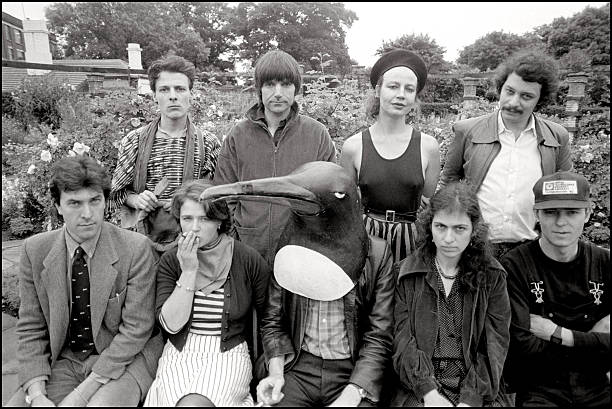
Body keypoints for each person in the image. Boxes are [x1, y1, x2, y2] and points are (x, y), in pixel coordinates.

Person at [9, 155, 163, 406]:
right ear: (58, 206)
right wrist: (36, 395)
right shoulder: (35, 250)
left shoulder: (135, 249)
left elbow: (136, 330)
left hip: (127, 358)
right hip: (68, 359)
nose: (88, 214)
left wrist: (79, 397)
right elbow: (31, 328)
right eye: (75, 203)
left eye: (95, 201)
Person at [144, 181, 271, 407]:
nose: (194, 228)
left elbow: (270, 320)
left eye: (204, 219)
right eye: (187, 219)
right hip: (180, 352)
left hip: (228, 353)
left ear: (219, 220)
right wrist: (189, 271)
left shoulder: (247, 259)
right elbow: (171, 326)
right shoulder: (171, 261)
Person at [440, 49, 572, 260]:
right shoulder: (467, 131)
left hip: (531, 251)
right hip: (476, 248)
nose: (513, 102)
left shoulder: (556, 137)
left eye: (526, 96)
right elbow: (449, 182)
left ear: (540, 100)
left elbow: (566, 195)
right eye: (509, 91)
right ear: (501, 88)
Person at [391, 181, 511, 406]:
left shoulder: (492, 277)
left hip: (477, 387)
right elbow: (402, 341)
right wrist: (429, 393)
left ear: (474, 230)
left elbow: (495, 345)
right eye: (441, 226)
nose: (448, 238)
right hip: (420, 388)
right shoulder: (406, 274)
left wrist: (470, 400)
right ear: (430, 226)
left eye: (459, 228)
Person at [213, 49, 336, 264]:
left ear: (296, 88)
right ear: (259, 88)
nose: (278, 93)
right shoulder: (238, 135)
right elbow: (224, 193)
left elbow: (330, 195)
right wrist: (237, 237)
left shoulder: (317, 134)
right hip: (248, 250)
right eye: (270, 84)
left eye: (286, 84)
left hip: (301, 252)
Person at [501, 171, 610, 407]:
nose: (561, 222)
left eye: (572, 212)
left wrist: (560, 334)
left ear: (587, 213)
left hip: (598, 386)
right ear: (536, 214)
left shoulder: (604, 263)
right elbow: (522, 345)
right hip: (540, 388)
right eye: (551, 212)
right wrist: (593, 343)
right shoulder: (515, 266)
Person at [109, 55, 221, 253]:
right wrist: (138, 200)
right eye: (164, 89)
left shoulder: (208, 143)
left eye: (180, 89)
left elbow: (215, 197)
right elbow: (117, 193)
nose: (173, 96)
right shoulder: (134, 141)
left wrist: (183, 204)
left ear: (190, 94)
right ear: (154, 96)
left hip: (193, 242)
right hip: (142, 241)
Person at [341, 48, 440, 263]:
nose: (401, 95)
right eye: (393, 86)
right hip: (367, 242)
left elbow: (427, 203)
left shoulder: (428, 147)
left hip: (412, 243)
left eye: (409, 89)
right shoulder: (353, 147)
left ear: (415, 97)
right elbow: (347, 205)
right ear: (378, 90)